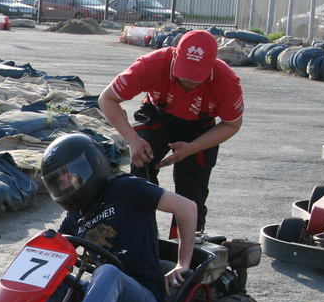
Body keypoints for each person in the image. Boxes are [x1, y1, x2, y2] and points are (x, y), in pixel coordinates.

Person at [25, 133, 198, 302]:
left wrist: (183, 263)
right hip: (100, 294)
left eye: (71, 174)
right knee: (45, 272)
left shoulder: (126, 188)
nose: (68, 183)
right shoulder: (75, 215)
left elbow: (187, 207)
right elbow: (52, 254)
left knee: (108, 271)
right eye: (60, 180)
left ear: (92, 165)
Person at [98, 29, 244, 233]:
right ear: (175, 55)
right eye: (185, 74)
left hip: (200, 130)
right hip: (158, 116)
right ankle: (140, 237)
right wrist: (132, 139)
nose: (190, 82)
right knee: (141, 170)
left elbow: (232, 124)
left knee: (192, 194)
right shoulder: (152, 64)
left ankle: (185, 251)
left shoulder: (226, 80)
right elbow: (107, 99)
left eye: (197, 76)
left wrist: (193, 147)